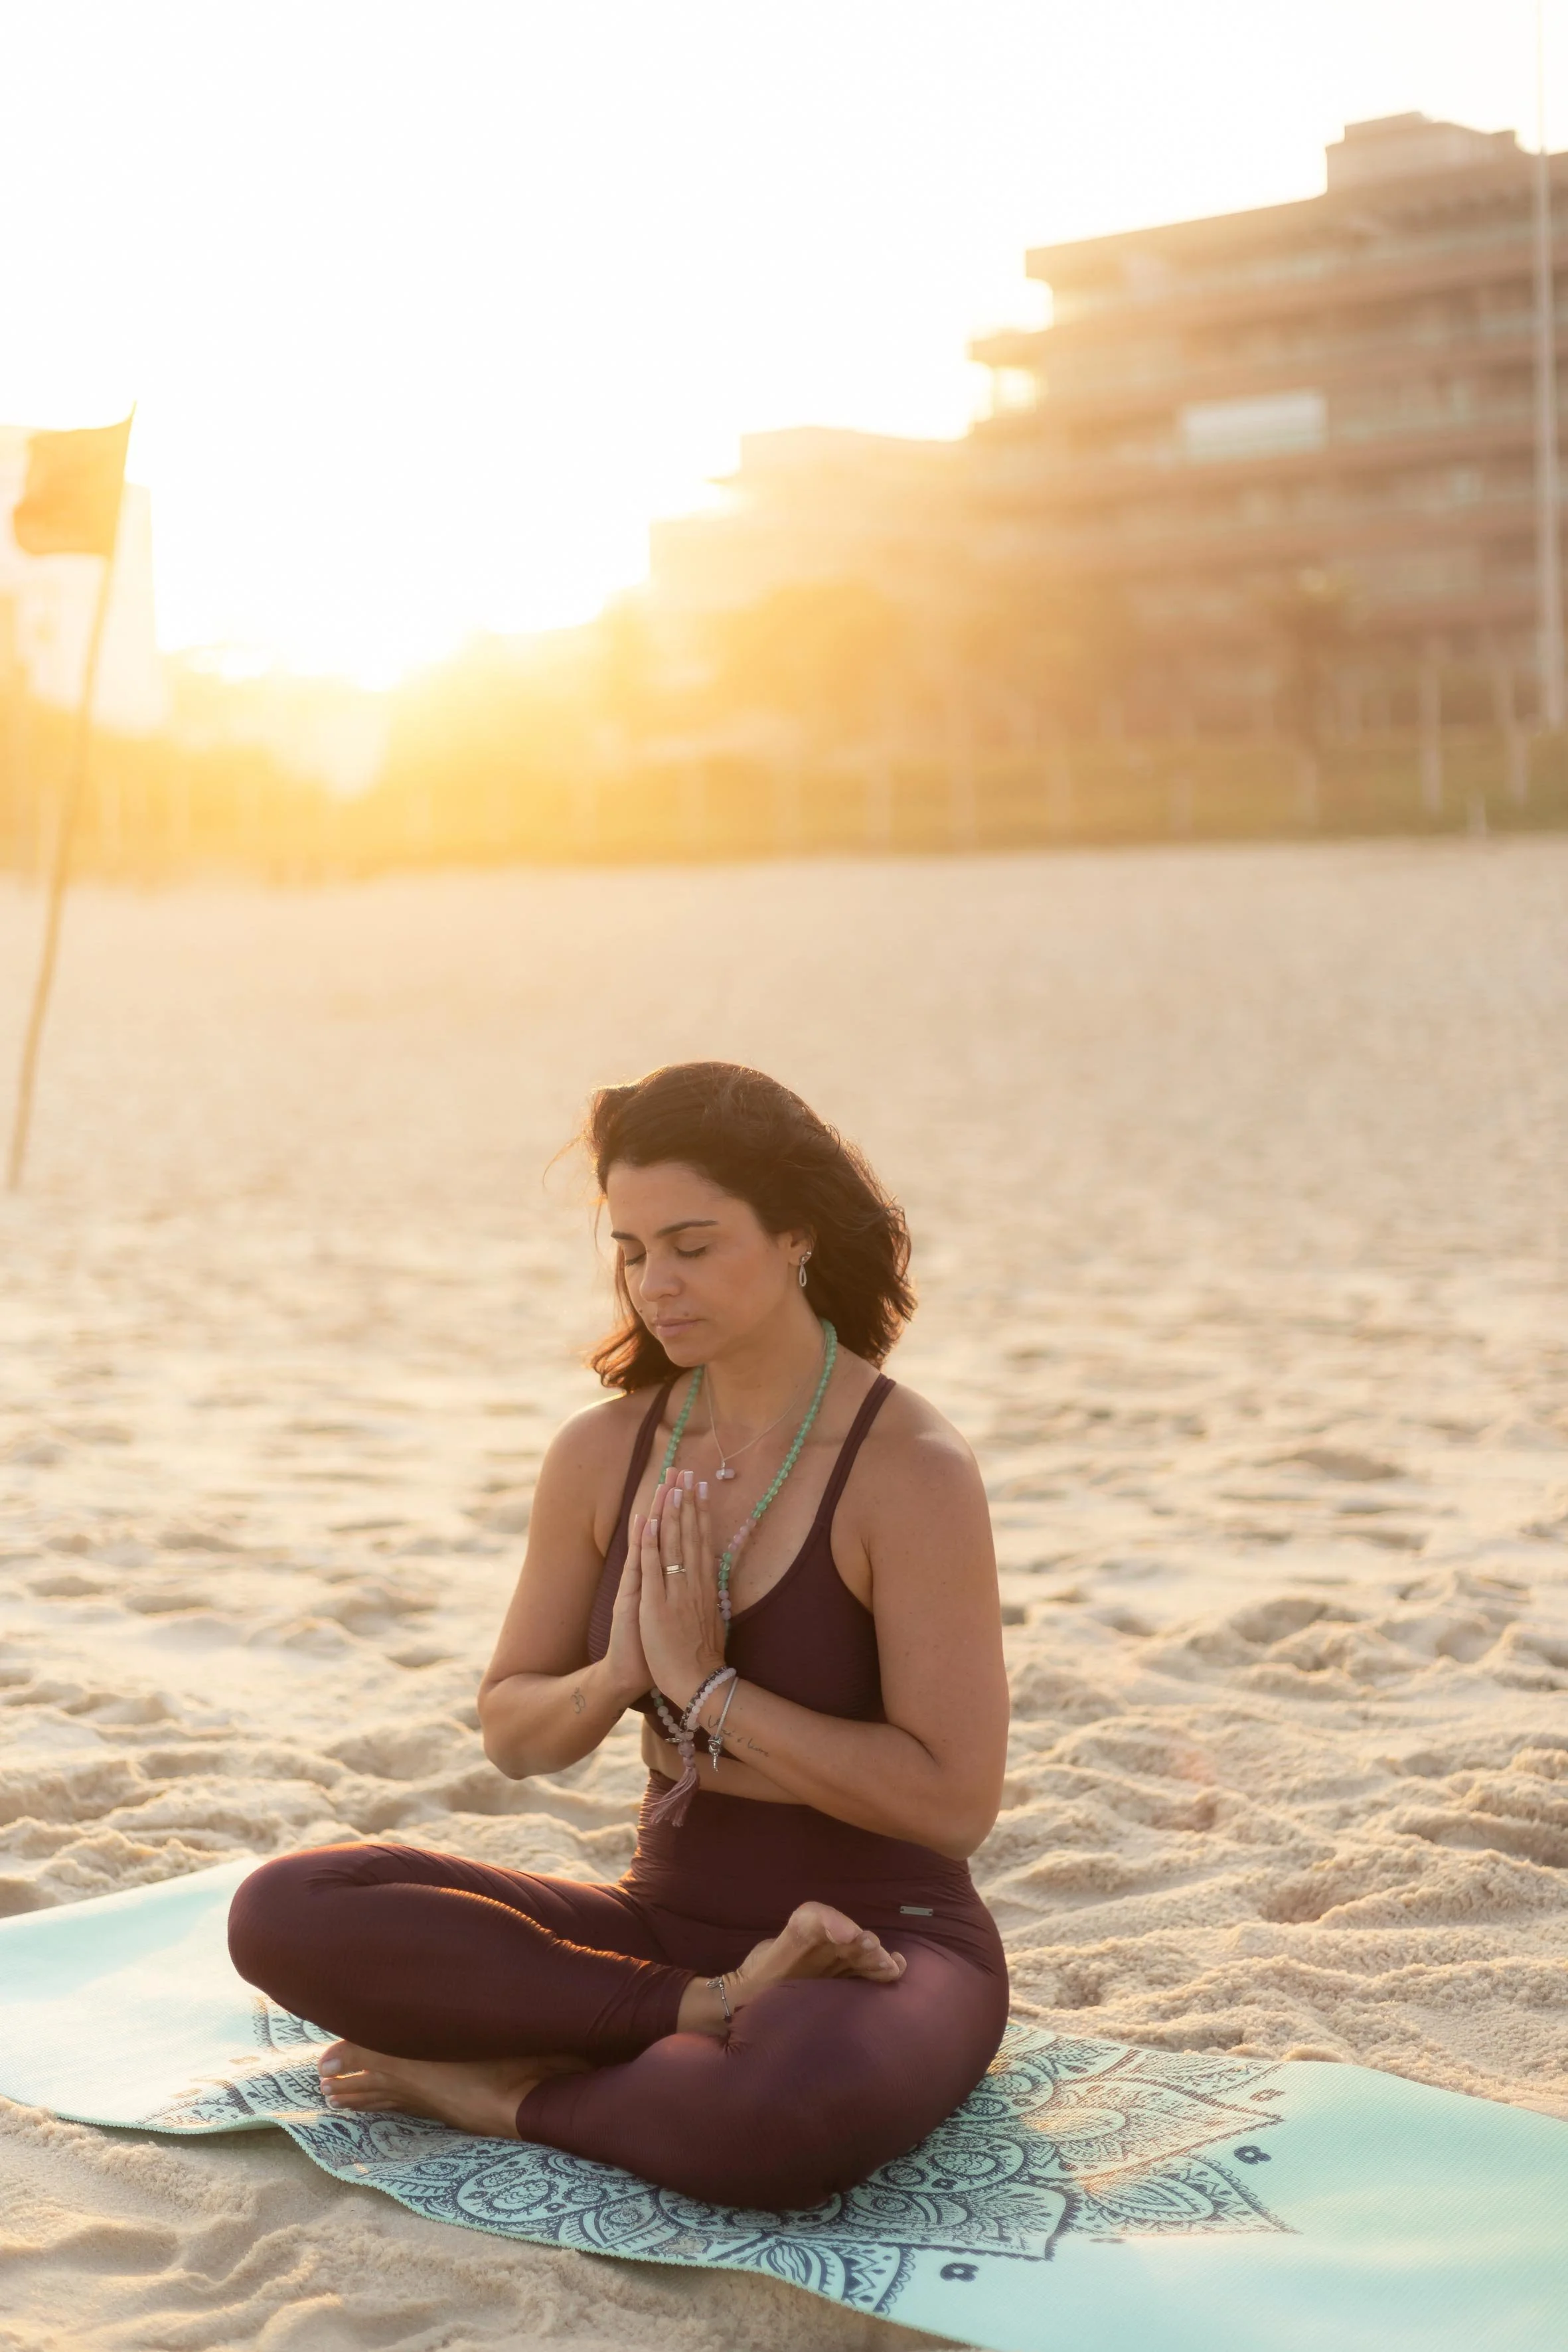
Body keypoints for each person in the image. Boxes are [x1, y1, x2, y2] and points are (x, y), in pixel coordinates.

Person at [228, 1061, 1010, 2209]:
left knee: (772, 2115)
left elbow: (955, 1804)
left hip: (883, 1938)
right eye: (632, 1250)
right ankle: (698, 2011)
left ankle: (496, 2093)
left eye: (692, 1245)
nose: (656, 1283)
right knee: (286, 1910)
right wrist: (622, 1675)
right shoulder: (601, 1454)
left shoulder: (909, 1472)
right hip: (663, 1926)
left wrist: (707, 1689)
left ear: (796, 1234)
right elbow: (513, 1733)